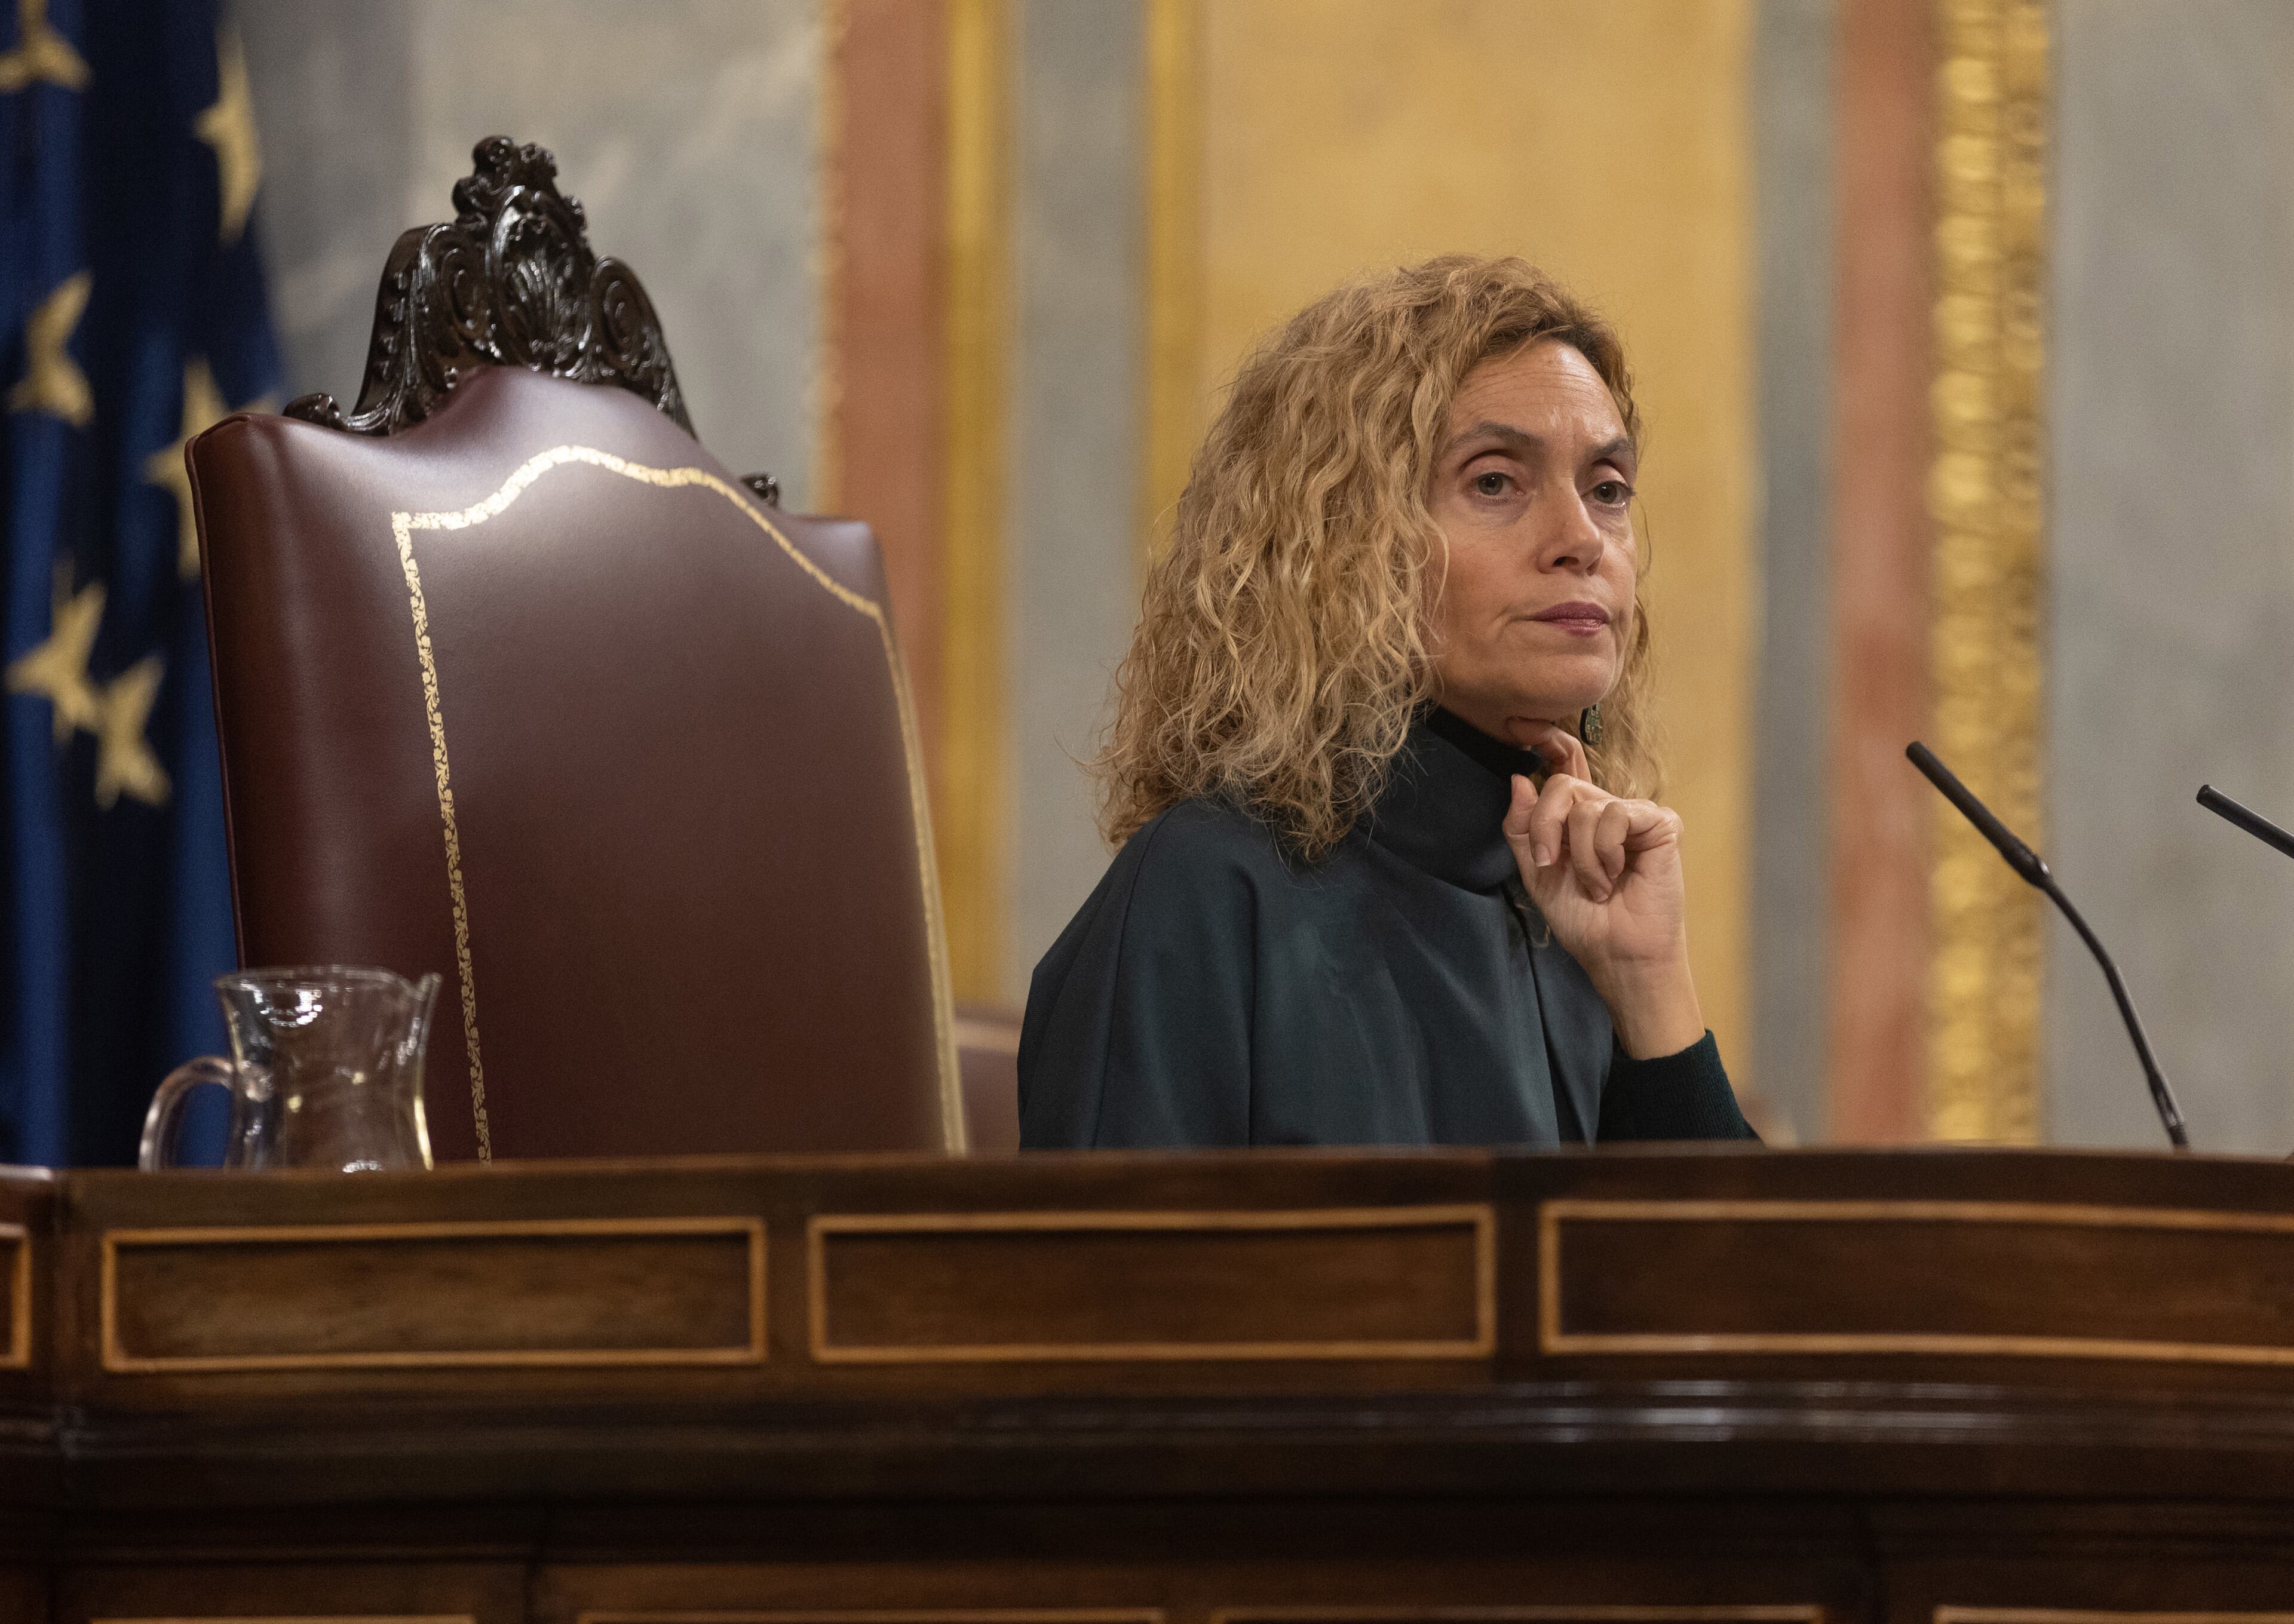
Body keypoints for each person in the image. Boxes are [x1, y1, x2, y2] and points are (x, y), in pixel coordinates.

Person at [1019, 255, 1758, 1149]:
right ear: (1341, 544)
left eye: (1607, 491)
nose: (1582, 539)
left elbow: (1726, 1250)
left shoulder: (1582, 906)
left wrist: (1650, 983)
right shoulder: (1204, 891)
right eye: (1495, 482)